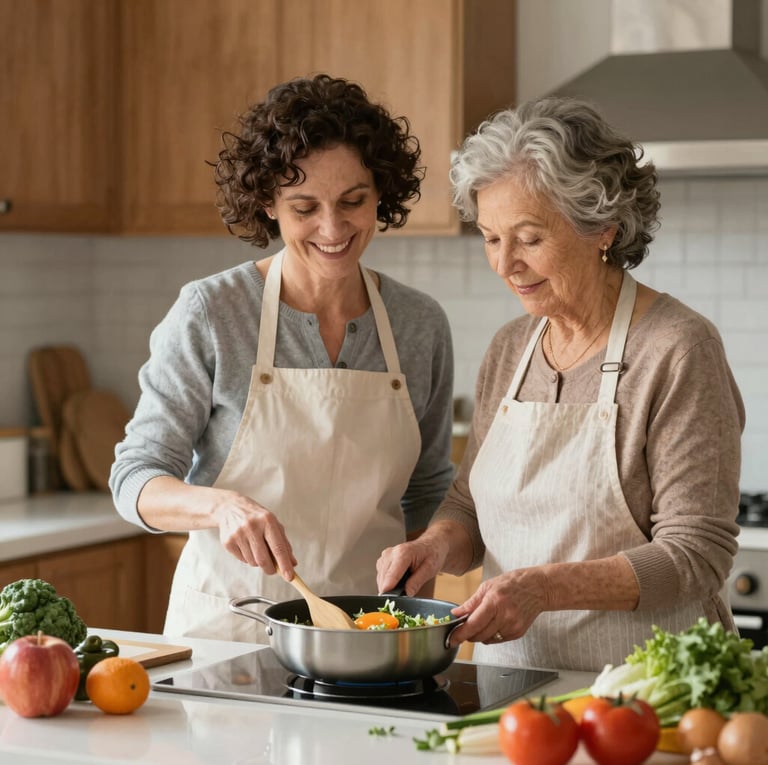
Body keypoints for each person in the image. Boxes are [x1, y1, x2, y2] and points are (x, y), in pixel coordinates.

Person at [376, 96, 745, 672]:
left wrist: (544, 588)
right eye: (491, 238)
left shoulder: (678, 348)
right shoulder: (510, 349)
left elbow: (696, 556)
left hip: (645, 692)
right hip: (514, 688)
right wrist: (435, 546)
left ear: (602, 227)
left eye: (528, 238)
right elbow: (470, 503)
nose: (505, 265)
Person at [110, 74, 455, 641]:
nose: (332, 228)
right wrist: (219, 508)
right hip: (229, 630)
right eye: (304, 207)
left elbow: (428, 487)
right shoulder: (212, 313)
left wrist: (422, 581)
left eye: (354, 201)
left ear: (381, 194)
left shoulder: (419, 324)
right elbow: (135, 477)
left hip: (365, 634)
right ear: (268, 203)